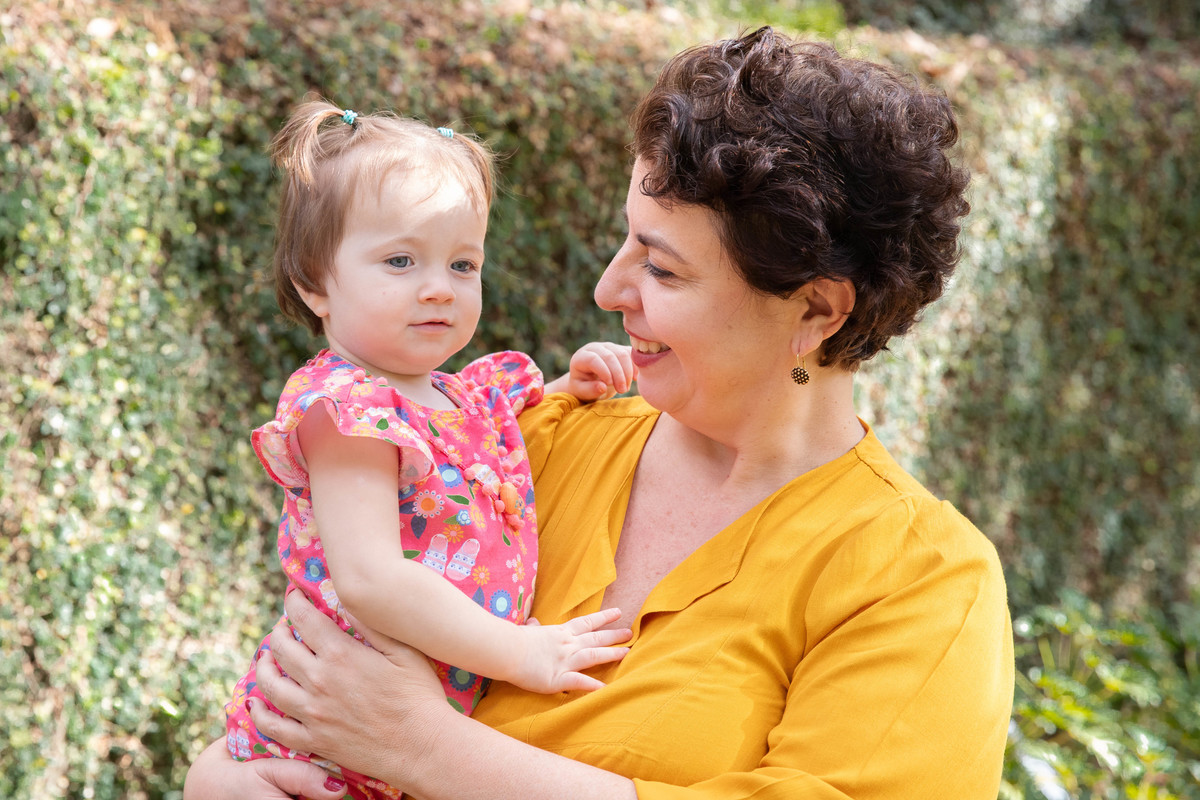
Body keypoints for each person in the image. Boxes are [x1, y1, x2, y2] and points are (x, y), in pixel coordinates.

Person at [186, 28, 1014, 800]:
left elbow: (385, 721)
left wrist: (425, 747)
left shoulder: (919, 580)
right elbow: (295, 705)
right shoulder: (517, 450)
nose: (608, 291)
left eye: (662, 269)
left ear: (817, 310)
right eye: (627, 242)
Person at [221, 99, 637, 800]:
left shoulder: (468, 398)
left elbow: (498, 450)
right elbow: (371, 578)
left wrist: (574, 383)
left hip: (401, 747)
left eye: (463, 263)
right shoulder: (346, 412)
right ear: (314, 284)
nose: (439, 288)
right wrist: (522, 654)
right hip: (315, 744)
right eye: (401, 260)